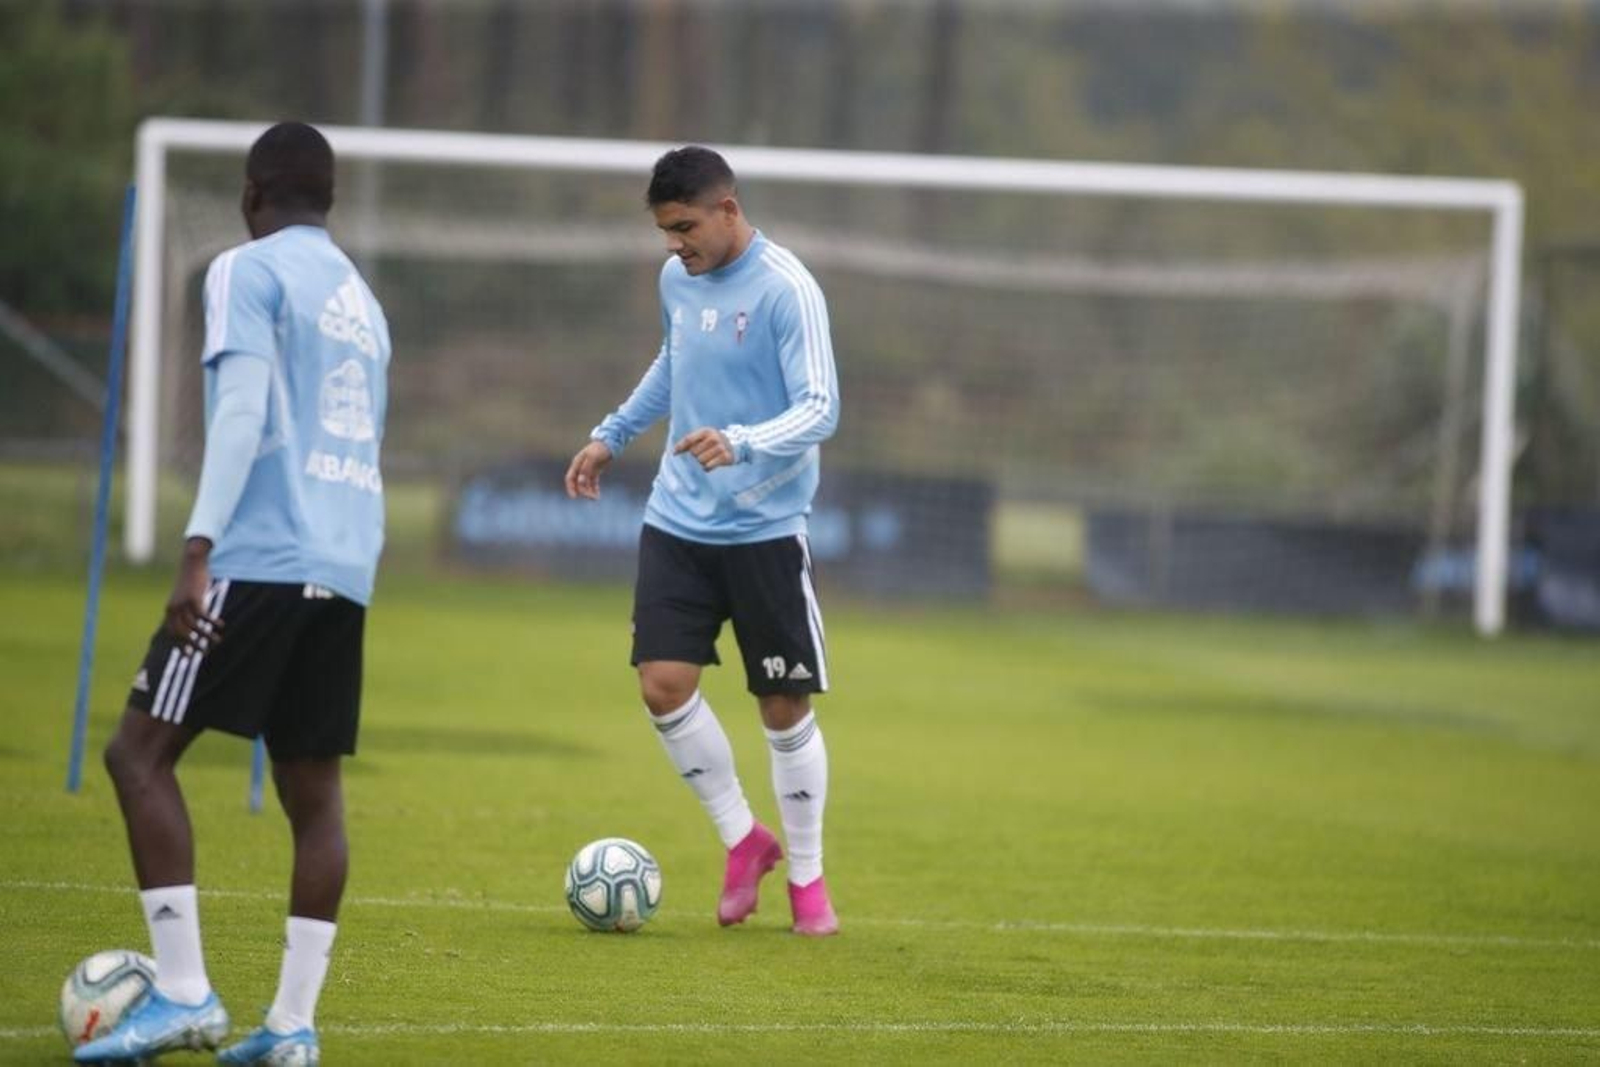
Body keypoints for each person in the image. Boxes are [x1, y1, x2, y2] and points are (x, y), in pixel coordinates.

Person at [74, 122, 391, 1065]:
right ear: (326, 198)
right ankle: (292, 1028)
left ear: (254, 195)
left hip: (256, 559)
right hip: (345, 564)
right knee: (314, 794)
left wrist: (196, 548)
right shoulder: (364, 300)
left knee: (138, 752)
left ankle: (181, 993)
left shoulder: (244, 271)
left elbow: (245, 410)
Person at [566, 146, 841, 936]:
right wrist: (612, 433)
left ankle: (808, 879)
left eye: (684, 226)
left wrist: (745, 441)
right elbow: (674, 360)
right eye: (663, 231)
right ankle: (742, 838)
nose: (673, 245)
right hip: (677, 520)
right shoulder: (674, 280)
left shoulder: (788, 289)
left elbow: (821, 407)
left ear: (728, 208)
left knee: (782, 706)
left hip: (764, 528)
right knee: (662, 683)